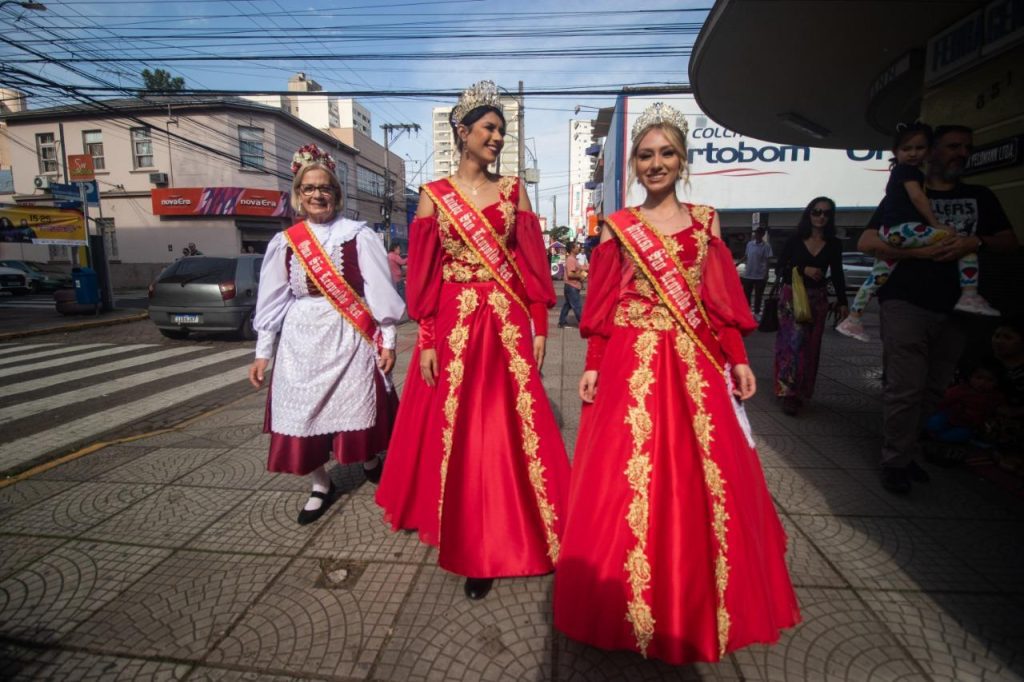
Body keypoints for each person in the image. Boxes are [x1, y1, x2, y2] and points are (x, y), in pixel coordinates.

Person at [553, 102, 799, 665]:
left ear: (682, 161)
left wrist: (737, 357)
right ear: (635, 166)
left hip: (693, 362)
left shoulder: (707, 221)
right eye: (646, 155)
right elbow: (606, 303)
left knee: (699, 474)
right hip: (631, 362)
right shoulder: (619, 228)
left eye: (666, 154)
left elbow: (718, 301)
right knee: (625, 477)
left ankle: (691, 596)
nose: (655, 163)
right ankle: (625, 598)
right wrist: (593, 360)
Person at [376, 81, 570, 601]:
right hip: (456, 325)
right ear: (462, 132)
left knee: (508, 431)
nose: (497, 138)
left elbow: (530, 265)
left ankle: (516, 527)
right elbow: (424, 274)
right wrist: (431, 338)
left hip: (506, 323)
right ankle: (468, 532)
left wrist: (538, 323)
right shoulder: (432, 196)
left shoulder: (514, 192)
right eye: (489, 128)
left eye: (502, 131)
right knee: (461, 432)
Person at [248, 144, 405, 525]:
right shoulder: (285, 242)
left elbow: (379, 291)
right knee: (300, 415)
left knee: (357, 404)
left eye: (325, 188)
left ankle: (368, 459)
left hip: (349, 335)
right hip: (301, 341)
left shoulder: (357, 235)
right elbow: (272, 299)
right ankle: (321, 484)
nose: (318, 195)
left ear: (336, 193)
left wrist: (387, 340)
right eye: (309, 188)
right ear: (298, 195)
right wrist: (262, 351)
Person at [858, 124, 1018, 494]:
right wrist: (918, 252)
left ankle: (909, 451)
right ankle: (895, 460)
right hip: (906, 300)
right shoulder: (904, 193)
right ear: (931, 152)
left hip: (958, 308)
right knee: (905, 386)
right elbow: (867, 240)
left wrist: (973, 241)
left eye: (966, 147)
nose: (960, 153)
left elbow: (1010, 240)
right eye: (951, 146)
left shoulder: (981, 196)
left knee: (934, 388)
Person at [838, 122, 998, 343]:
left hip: (892, 235)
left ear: (929, 150)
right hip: (904, 236)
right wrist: (935, 225)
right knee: (962, 242)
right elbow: (917, 198)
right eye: (907, 149)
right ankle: (969, 295)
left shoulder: (902, 173)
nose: (913, 153)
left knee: (876, 277)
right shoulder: (909, 173)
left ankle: (853, 319)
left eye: (919, 148)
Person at [773, 197, 849, 416]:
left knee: (811, 347)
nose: (821, 216)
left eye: (826, 213)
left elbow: (837, 273)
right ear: (809, 214)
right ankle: (788, 392)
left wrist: (843, 301)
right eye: (816, 212)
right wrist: (803, 269)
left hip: (818, 299)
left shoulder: (834, 243)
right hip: (792, 298)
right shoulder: (795, 240)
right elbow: (780, 269)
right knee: (792, 344)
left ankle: (803, 391)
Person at [926, 359, 1004, 445]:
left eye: (990, 380)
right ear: (970, 377)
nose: (983, 383)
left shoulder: (994, 396)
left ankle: (937, 438)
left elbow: (997, 410)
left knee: (958, 436)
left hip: (967, 426)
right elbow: (943, 401)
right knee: (932, 424)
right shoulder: (961, 390)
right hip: (949, 416)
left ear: (996, 382)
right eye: (979, 378)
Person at [740, 226, 772, 315]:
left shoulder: (766, 246)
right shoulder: (750, 244)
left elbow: (767, 260)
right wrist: (737, 264)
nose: (757, 235)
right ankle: (747, 312)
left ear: (762, 234)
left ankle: (757, 312)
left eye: (759, 233)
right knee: (746, 295)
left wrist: (766, 274)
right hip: (748, 274)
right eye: (756, 233)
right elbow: (746, 256)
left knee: (758, 296)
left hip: (760, 275)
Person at [557, 241, 586, 328]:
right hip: (572, 286)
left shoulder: (573, 259)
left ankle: (562, 322)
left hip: (572, 286)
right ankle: (583, 324)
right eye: (576, 247)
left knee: (568, 305)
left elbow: (579, 270)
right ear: (572, 249)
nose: (578, 248)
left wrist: (583, 273)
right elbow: (570, 274)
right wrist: (580, 276)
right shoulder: (571, 259)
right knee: (577, 306)